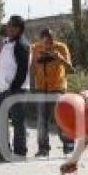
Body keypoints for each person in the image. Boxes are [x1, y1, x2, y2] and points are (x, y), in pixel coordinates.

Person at [0, 15, 30, 161]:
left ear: (19, 29)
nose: (9, 28)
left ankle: (20, 152)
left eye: (13, 26)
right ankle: (4, 150)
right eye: (8, 25)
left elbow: (22, 70)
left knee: (18, 121)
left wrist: (13, 87)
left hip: (15, 90)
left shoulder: (22, 45)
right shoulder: (8, 43)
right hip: (3, 89)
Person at [31, 28, 72, 157]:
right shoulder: (35, 48)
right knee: (41, 119)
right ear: (41, 41)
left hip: (57, 87)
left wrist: (60, 58)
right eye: (45, 42)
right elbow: (31, 70)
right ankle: (43, 148)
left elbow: (70, 68)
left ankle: (68, 145)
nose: (48, 45)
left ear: (53, 39)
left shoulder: (61, 48)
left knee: (60, 117)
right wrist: (35, 60)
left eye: (50, 42)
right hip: (41, 88)